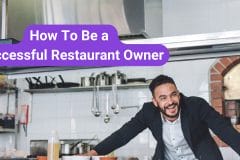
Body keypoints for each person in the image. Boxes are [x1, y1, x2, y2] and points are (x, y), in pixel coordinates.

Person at [86, 74, 240, 160]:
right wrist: (94, 152)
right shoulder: (148, 112)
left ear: (178, 95)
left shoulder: (196, 106)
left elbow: (224, 130)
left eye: (173, 95)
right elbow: (123, 134)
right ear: (155, 102)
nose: (170, 102)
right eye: (163, 98)